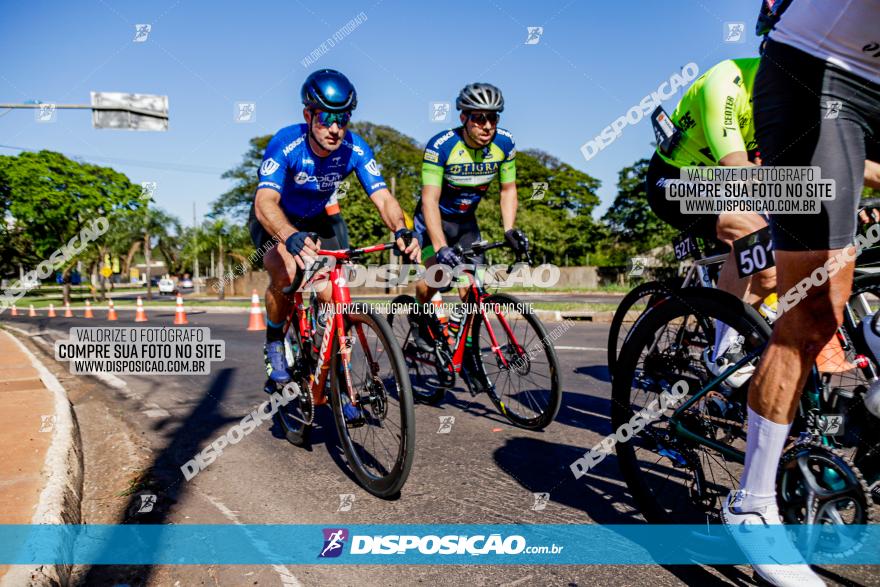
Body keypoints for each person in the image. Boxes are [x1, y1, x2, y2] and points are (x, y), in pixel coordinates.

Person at [721, 3, 880, 587]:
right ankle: (753, 503)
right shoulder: (723, 82)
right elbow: (731, 170)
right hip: (822, 74)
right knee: (812, 314)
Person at [249, 68, 420, 391]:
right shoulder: (286, 142)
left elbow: (383, 198)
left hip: (317, 218)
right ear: (308, 114)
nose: (334, 128)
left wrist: (401, 229)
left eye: (343, 119)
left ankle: (334, 374)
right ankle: (274, 339)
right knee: (284, 269)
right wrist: (289, 236)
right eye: (326, 118)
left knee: (333, 295)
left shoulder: (355, 149)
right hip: (276, 217)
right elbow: (265, 202)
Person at [411, 82, 529, 352]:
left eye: (493, 117)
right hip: (433, 222)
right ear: (463, 117)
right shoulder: (441, 146)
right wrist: (440, 247)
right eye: (479, 117)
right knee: (436, 278)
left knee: (472, 290)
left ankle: (469, 352)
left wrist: (509, 229)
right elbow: (429, 200)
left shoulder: (505, 143)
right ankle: (418, 316)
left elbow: (508, 189)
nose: (487, 125)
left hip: (466, 224)